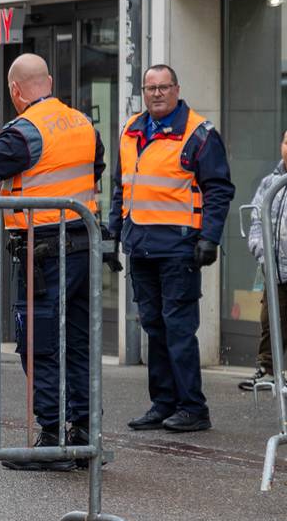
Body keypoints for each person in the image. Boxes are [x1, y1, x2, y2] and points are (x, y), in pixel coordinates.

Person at [0, 54, 104, 471]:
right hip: (82, 242)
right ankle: (81, 434)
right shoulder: (82, 123)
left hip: (43, 250)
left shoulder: (24, 131)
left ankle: (49, 440)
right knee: (78, 342)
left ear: (15, 92)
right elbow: (94, 168)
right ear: (51, 80)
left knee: (39, 342)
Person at [111, 64, 234, 433]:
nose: (157, 94)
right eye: (150, 88)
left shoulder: (198, 134)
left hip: (179, 248)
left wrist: (209, 237)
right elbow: (123, 189)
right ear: (143, 92)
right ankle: (163, 404)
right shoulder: (132, 131)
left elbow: (219, 189)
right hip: (141, 246)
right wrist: (112, 237)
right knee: (154, 328)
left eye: (164, 87)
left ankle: (193, 407)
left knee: (178, 329)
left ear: (177, 89)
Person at [243, 132, 287, 393]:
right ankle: (268, 368)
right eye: (286, 142)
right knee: (270, 319)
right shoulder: (270, 183)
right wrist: (260, 249)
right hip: (275, 267)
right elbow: (257, 218)